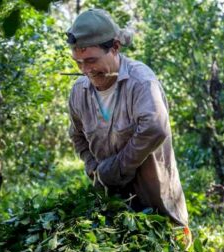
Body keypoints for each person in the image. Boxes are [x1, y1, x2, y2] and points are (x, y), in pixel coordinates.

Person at [66, 9, 190, 235]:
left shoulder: (140, 82)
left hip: (155, 204)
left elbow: (155, 128)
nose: (86, 71)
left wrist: (117, 168)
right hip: (112, 208)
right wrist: (94, 168)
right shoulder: (78, 92)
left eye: (92, 61)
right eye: (79, 63)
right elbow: (77, 135)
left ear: (114, 47)